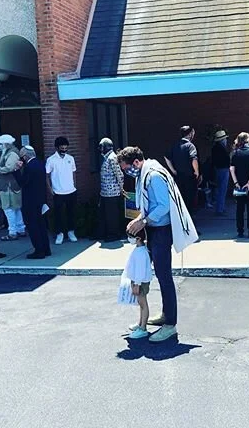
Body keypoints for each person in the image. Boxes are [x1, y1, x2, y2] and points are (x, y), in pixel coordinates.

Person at [120, 146, 198, 343]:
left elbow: (163, 206)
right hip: (155, 229)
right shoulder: (145, 173)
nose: (126, 172)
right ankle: (165, 316)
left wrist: (143, 221)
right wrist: (140, 219)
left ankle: (170, 324)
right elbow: (150, 205)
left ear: (136, 163)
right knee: (160, 275)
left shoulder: (153, 176)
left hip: (161, 231)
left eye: (126, 168)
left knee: (164, 277)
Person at [15, 145, 51, 259]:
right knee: (41, 225)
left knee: (33, 226)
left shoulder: (29, 167)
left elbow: (23, 182)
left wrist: (16, 171)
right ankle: (46, 249)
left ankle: (39, 250)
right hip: (40, 200)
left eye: (22, 157)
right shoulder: (40, 164)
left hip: (30, 202)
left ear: (25, 156)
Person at [0, 134, 26, 241]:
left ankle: (12, 232)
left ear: (5, 143)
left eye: (1, 144)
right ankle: (20, 229)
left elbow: (9, 168)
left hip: (8, 187)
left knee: (9, 209)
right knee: (16, 208)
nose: (0, 146)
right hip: (11, 186)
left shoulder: (12, 153)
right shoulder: (10, 152)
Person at [46, 136, 77, 245]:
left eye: (65, 147)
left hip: (71, 191)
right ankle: (59, 234)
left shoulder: (70, 158)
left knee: (71, 213)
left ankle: (71, 232)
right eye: (62, 147)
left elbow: (73, 173)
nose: (64, 149)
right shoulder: (51, 160)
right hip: (58, 192)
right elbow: (46, 175)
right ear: (57, 147)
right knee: (58, 215)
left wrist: (74, 186)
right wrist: (50, 189)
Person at [123, 228, 152, 339]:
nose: (129, 239)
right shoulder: (140, 249)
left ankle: (143, 328)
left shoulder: (140, 252)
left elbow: (140, 270)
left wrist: (137, 284)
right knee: (141, 303)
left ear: (138, 238)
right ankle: (140, 324)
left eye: (130, 237)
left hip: (140, 282)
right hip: (138, 281)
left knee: (143, 304)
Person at [164, 126, 199, 216]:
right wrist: (196, 171)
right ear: (190, 134)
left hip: (178, 177)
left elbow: (166, 157)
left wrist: (173, 170)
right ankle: (189, 225)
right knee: (190, 201)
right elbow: (194, 159)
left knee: (180, 200)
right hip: (189, 177)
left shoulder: (175, 145)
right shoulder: (190, 146)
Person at [230, 133, 249, 239]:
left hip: (239, 185)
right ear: (248, 140)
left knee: (239, 209)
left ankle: (240, 231)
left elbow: (232, 169)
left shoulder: (235, 153)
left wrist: (236, 183)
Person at [97, 138, 124, 242]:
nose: (100, 149)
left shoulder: (112, 158)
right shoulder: (106, 157)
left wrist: (121, 188)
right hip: (105, 192)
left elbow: (119, 174)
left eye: (102, 147)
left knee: (112, 216)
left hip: (112, 193)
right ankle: (103, 233)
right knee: (104, 215)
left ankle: (114, 234)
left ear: (106, 147)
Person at [211, 130, 230, 216]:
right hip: (223, 169)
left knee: (219, 189)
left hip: (217, 169)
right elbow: (226, 159)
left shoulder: (214, 148)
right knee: (222, 189)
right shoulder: (222, 149)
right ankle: (220, 209)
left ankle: (220, 208)